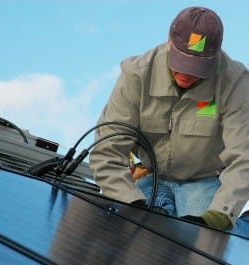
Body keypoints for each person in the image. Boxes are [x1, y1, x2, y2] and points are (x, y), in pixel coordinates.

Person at [89, 6, 249, 237]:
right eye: (182, 62)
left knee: (204, 241)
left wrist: (219, 216)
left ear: (215, 56)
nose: (186, 73)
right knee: (131, 234)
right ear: (169, 42)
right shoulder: (136, 75)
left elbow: (244, 159)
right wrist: (130, 203)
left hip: (202, 180)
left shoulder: (235, 83)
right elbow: (107, 151)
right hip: (145, 173)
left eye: (198, 67)